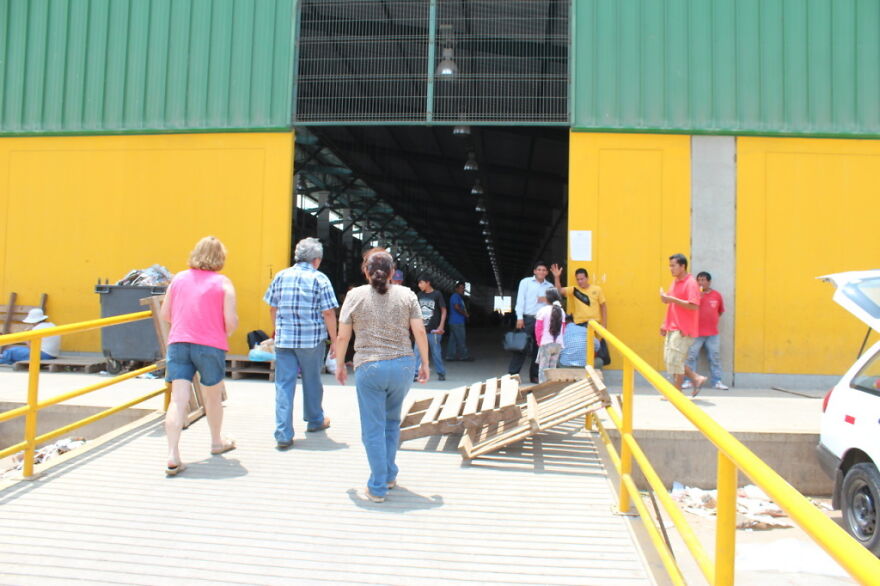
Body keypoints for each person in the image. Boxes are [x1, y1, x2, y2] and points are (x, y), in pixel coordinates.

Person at [335, 249, 429, 503]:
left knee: (373, 428)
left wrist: (340, 364)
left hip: (370, 368)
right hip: (402, 367)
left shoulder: (354, 296)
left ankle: (377, 486)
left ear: (365, 270)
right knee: (390, 422)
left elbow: (343, 336)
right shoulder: (407, 294)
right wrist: (426, 364)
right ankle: (388, 474)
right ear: (391, 272)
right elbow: (420, 332)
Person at [159, 236, 238, 476]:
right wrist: (220, 332)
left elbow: (165, 314)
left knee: (178, 399)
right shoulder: (223, 283)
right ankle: (216, 442)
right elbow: (230, 322)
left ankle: (173, 455)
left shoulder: (178, 280)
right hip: (210, 346)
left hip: (179, 343)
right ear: (220, 258)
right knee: (212, 397)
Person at [264, 237, 338, 450]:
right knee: (312, 381)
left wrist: (277, 329)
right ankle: (315, 420)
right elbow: (328, 312)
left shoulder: (281, 276)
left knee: (284, 384)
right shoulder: (320, 279)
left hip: (285, 340)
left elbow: (272, 307)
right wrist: (334, 339)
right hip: (311, 341)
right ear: (316, 260)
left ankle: (283, 433)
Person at [660, 253, 708, 396]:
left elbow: (694, 305)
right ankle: (695, 378)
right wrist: (664, 323)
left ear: (682, 266)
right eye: (670, 266)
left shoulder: (691, 283)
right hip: (672, 326)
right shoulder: (675, 282)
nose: (671, 269)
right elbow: (671, 304)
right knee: (671, 360)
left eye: (673, 265)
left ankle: (676, 392)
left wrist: (671, 299)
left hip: (683, 329)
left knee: (675, 360)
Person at [682, 272, 729, 391]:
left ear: (709, 282)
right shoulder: (694, 295)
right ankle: (688, 381)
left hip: (712, 333)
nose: (701, 283)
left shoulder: (717, 295)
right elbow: (688, 310)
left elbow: (720, 311)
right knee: (691, 357)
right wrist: (699, 296)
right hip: (696, 333)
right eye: (699, 280)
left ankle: (717, 381)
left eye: (703, 280)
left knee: (715, 357)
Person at [509, 261, 553, 384]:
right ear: (534, 271)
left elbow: (553, 302)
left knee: (539, 350)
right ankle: (513, 374)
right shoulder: (525, 282)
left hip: (542, 321)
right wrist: (519, 317)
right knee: (520, 347)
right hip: (527, 319)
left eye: (544, 270)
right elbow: (520, 300)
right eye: (539, 269)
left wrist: (547, 299)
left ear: (547, 272)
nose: (541, 272)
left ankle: (535, 375)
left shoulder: (549, 286)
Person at [549, 264, 607, 331]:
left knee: (593, 341)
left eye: (582, 279)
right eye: (578, 279)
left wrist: (604, 324)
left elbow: (603, 306)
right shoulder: (574, 289)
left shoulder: (597, 289)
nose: (580, 281)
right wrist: (557, 277)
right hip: (579, 324)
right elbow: (559, 291)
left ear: (587, 278)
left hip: (594, 324)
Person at [413, 273, 447, 381]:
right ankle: (415, 373)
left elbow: (443, 310)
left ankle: (441, 372)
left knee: (436, 352)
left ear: (428, 283)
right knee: (417, 352)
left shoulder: (437, 294)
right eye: (419, 283)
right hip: (421, 330)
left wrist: (441, 325)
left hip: (434, 330)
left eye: (421, 282)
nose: (419, 285)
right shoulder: (419, 295)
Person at [534, 288, 566, 383]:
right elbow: (563, 329)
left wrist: (539, 341)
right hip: (558, 344)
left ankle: (543, 390)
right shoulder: (562, 311)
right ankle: (552, 388)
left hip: (545, 343)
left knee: (543, 369)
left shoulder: (543, 311)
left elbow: (538, 328)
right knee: (553, 368)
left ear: (547, 299)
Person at [445, 281, 473, 362]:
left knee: (453, 340)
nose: (462, 289)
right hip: (457, 322)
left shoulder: (459, 297)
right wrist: (465, 314)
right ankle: (464, 356)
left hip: (454, 321)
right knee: (461, 338)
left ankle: (450, 356)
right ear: (456, 289)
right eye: (461, 288)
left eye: (463, 288)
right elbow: (456, 307)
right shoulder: (455, 296)